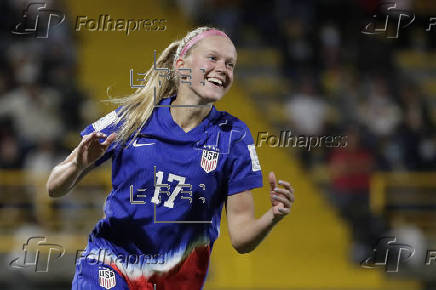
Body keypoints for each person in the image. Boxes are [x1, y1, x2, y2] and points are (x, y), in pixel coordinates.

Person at [46, 26, 295, 290]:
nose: (223, 68)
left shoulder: (233, 137)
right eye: (213, 58)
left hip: (177, 281)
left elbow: (242, 238)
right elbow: (53, 186)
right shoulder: (134, 117)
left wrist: (273, 216)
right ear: (181, 64)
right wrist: (77, 166)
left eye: (230, 64)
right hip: (110, 263)